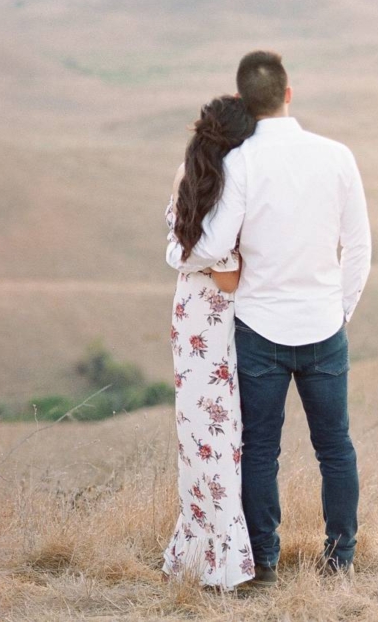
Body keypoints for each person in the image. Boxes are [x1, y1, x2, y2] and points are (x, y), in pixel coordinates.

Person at [166, 50, 372, 585]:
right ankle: (340, 559)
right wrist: (340, 309)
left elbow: (211, 247)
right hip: (325, 325)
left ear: (244, 101)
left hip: (258, 330)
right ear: (288, 93)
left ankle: (263, 561)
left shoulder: (241, 163)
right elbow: (359, 246)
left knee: (260, 451)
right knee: (335, 447)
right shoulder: (337, 155)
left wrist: (185, 251)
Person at [162, 95, 257, 590]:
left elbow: (178, 249)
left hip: (186, 315)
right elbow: (226, 281)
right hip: (217, 323)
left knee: (195, 433)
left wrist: (197, 258)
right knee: (220, 431)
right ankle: (226, 556)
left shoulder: (189, 173)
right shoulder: (232, 185)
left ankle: (196, 548)